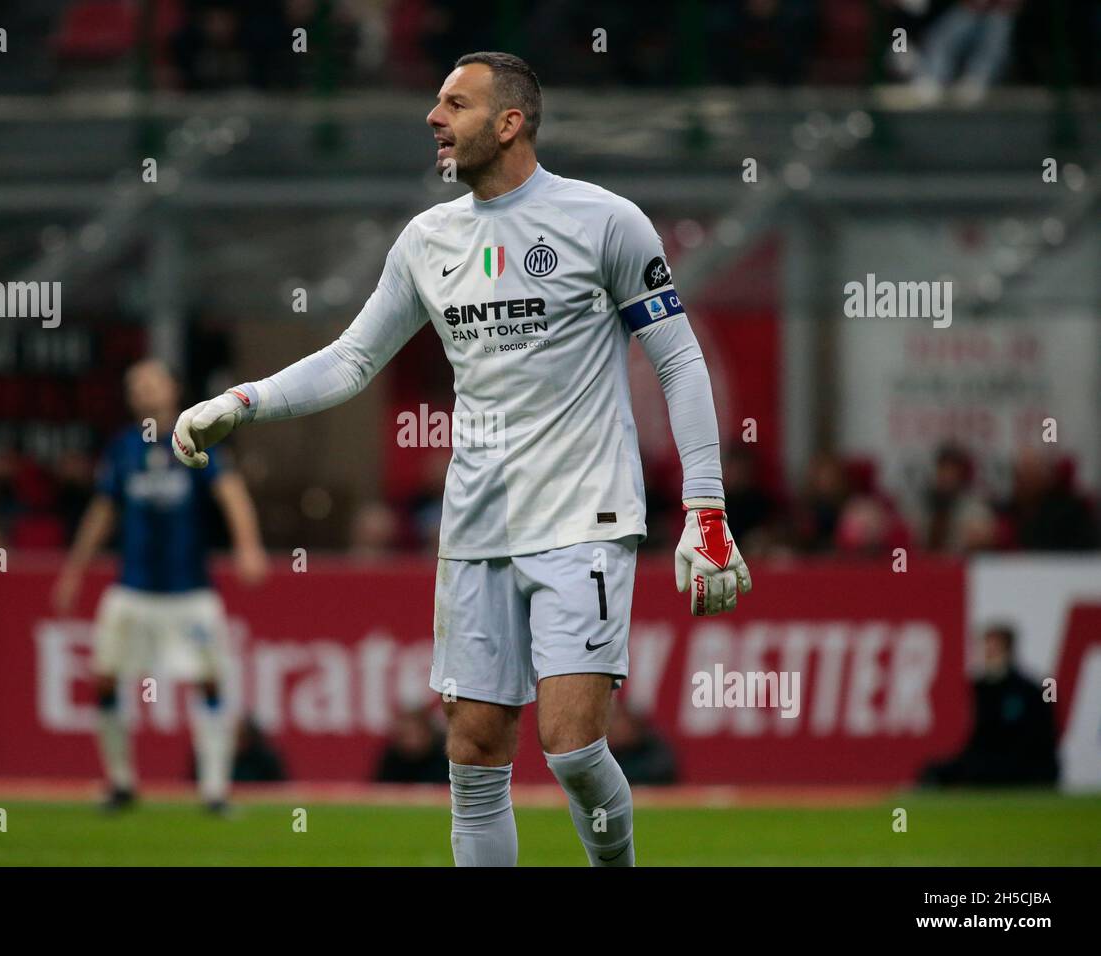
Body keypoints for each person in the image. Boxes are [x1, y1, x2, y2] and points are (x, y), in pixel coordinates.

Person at [172, 53, 751, 866]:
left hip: (583, 512)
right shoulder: (428, 239)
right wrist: (244, 401)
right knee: (474, 753)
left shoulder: (606, 222)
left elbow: (681, 361)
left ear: (509, 122)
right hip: (476, 523)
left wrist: (708, 509)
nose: (433, 118)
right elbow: (350, 360)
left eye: (455, 103)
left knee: (574, 749)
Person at [52, 359, 269, 813]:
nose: (144, 392)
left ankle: (214, 791)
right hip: (132, 587)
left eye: (152, 383)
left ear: (173, 389)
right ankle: (121, 782)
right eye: (136, 386)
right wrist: (74, 571)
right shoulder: (122, 448)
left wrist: (248, 546)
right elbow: (103, 510)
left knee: (209, 682)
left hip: (189, 589)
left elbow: (229, 492)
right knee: (106, 678)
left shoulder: (196, 436)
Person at [920, 624, 1059, 787]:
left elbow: (1042, 737)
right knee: (934, 771)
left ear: (1008, 650)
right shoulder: (978, 687)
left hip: (1021, 761)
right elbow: (979, 736)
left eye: (994, 647)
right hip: (986, 759)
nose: (987, 652)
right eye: (986, 647)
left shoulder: (1031, 690)